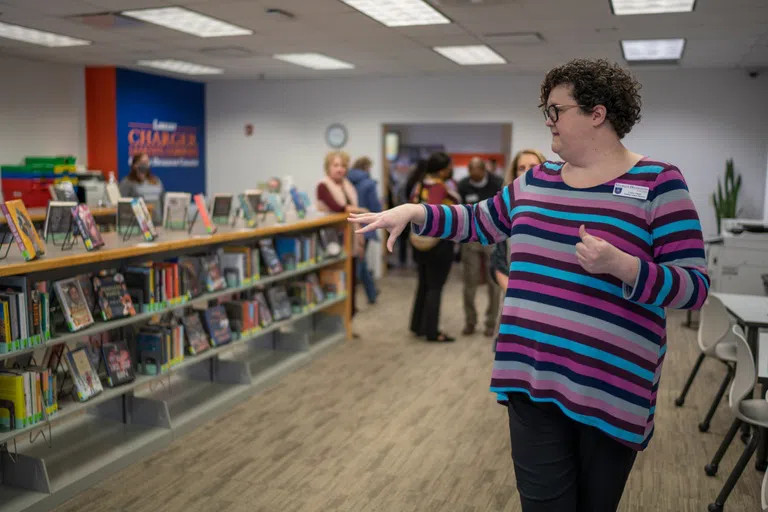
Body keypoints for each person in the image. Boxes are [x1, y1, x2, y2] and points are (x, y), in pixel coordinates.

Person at [350, 58, 709, 511]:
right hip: (530, 376)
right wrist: (417, 213)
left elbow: (694, 286)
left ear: (597, 113)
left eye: (556, 109)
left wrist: (626, 266)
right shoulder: (535, 180)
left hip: (609, 388)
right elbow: (480, 221)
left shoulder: (658, 183)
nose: (548, 120)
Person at [408, 152, 460, 343]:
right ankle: (432, 331)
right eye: (448, 166)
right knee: (435, 286)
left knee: (423, 283)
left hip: (419, 241)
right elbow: (435, 212)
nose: (450, 170)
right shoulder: (439, 187)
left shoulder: (419, 185)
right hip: (438, 243)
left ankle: (417, 325)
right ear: (442, 169)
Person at [315, 150, 366, 320]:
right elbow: (337, 207)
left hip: (350, 238)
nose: (340, 169)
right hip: (332, 240)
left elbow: (350, 212)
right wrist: (361, 210)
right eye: (335, 165)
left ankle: (349, 319)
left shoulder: (348, 185)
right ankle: (337, 320)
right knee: (336, 279)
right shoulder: (323, 185)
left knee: (351, 279)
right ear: (328, 167)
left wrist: (360, 237)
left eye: (343, 166)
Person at [457, 157, 503, 336]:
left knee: (494, 283)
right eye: (470, 171)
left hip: (492, 237)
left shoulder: (497, 183)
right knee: (470, 282)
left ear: (484, 170)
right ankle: (470, 321)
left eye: (476, 171)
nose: (473, 175)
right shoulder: (463, 185)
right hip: (471, 238)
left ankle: (491, 322)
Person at [491, 149, 547, 291]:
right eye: (521, 168)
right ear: (515, 174)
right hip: (513, 295)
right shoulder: (505, 209)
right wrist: (514, 297)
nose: (527, 172)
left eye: (533, 167)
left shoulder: (559, 207)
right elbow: (499, 262)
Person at [347, 157, 383, 304]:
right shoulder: (369, 184)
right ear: (367, 167)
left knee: (361, 261)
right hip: (365, 226)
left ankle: (372, 293)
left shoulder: (345, 182)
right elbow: (375, 207)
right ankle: (353, 299)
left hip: (349, 225)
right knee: (360, 264)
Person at [119, 152, 164, 225]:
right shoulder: (127, 182)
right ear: (135, 165)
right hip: (139, 224)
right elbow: (122, 205)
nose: (145, 164)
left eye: (147, 162)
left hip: (158, 222)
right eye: (142, 162)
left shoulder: (156, 181)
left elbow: (163, 201)